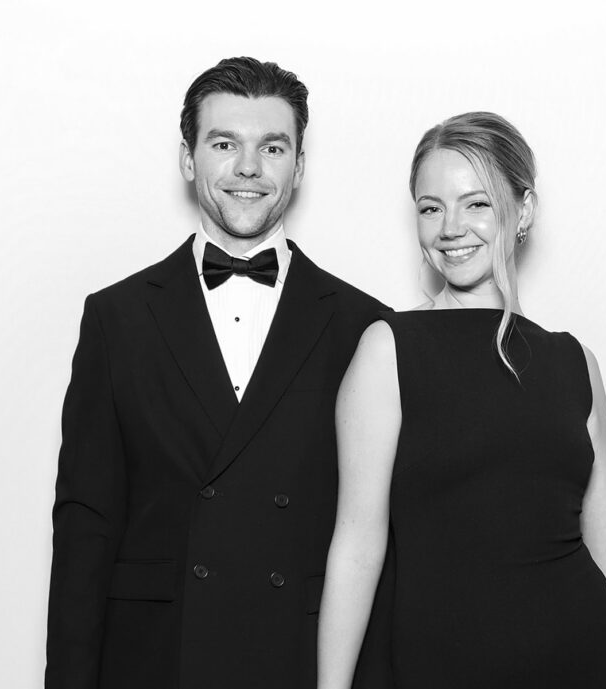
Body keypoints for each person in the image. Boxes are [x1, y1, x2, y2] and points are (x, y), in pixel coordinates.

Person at [45, 57, 391, 689]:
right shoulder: (116, 318)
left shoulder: (366, 328)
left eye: (273, 147)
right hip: (155, 660)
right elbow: (84, 531)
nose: (249, 168)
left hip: (302, 659)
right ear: (188, 159)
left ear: (300, 165)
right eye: (224, 143)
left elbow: (382, 541)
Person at [317, 112, 606, 688]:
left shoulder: (572, 361)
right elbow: (357, 546)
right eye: (431, 207)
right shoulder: (389, 350)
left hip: (586, 662)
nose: (450, 227)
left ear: (524, 210)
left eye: (476, 203)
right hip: (438, 667)